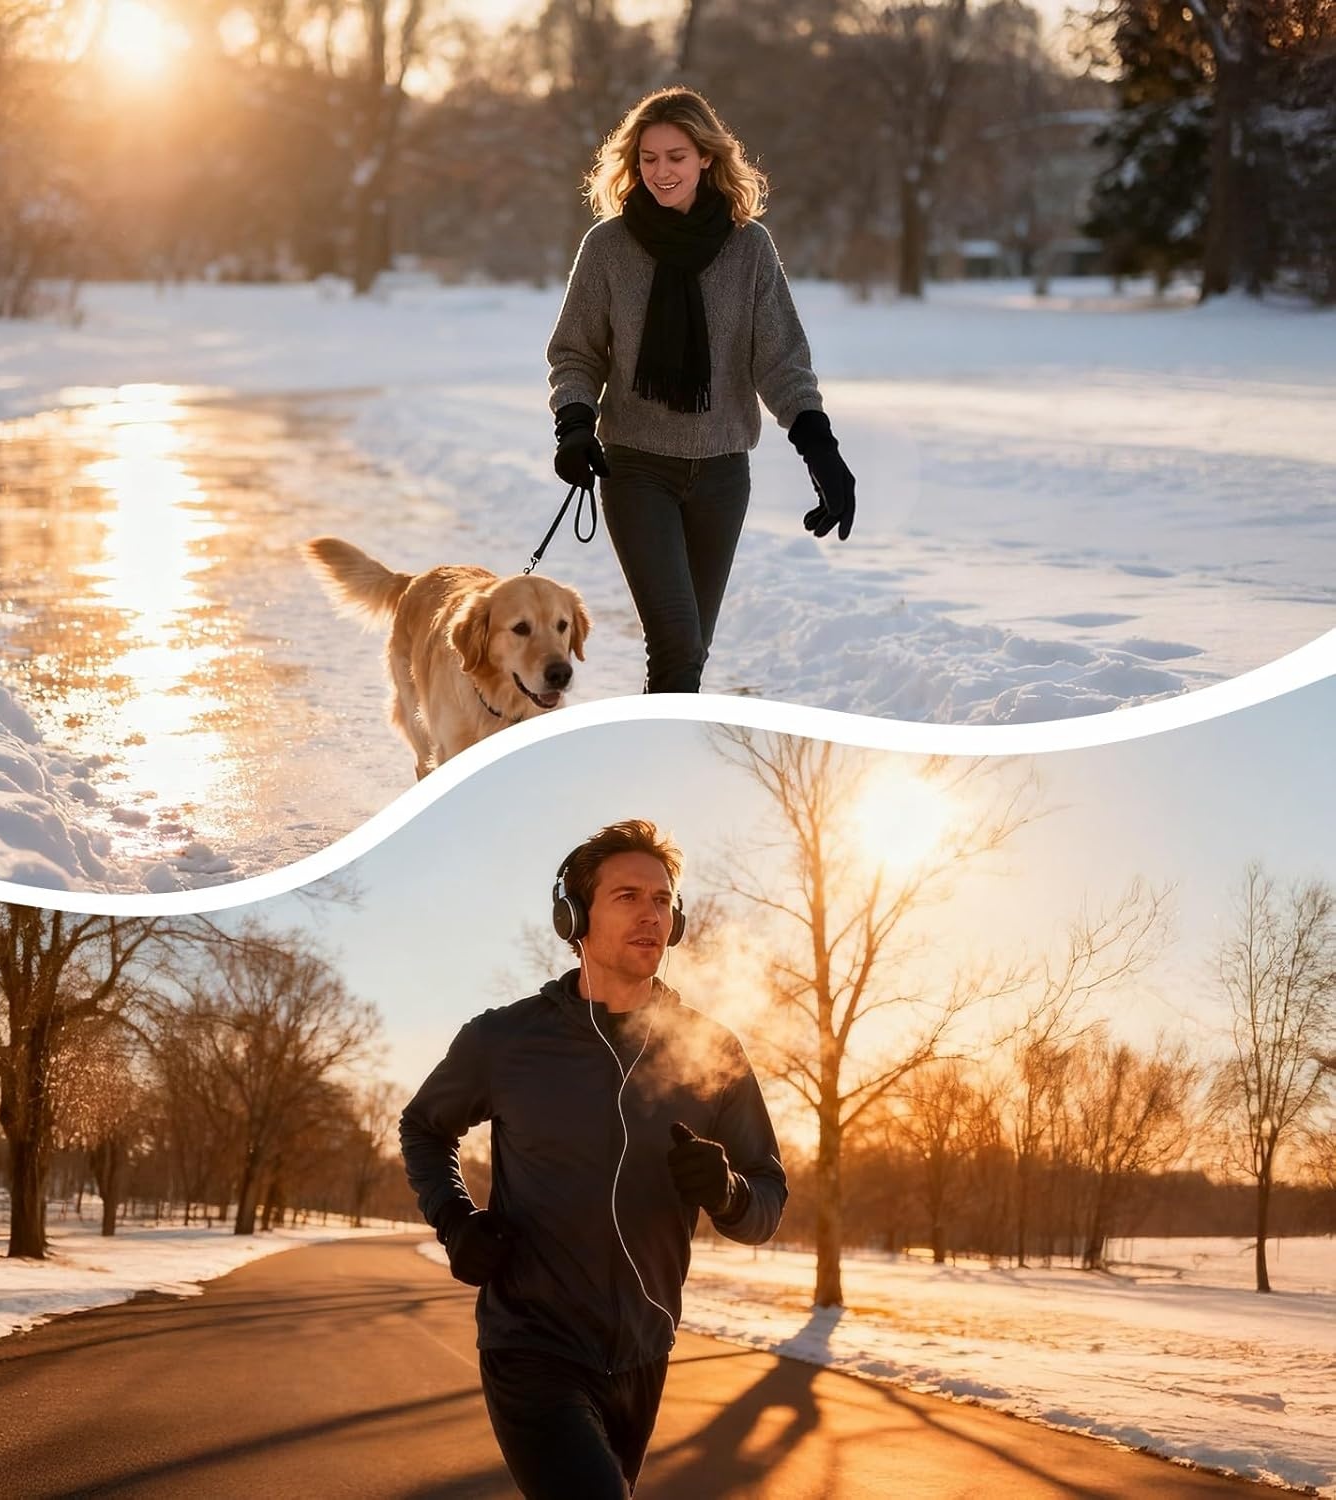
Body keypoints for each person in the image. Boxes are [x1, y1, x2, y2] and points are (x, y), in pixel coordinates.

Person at [399, 819, 787, 1499]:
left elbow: (766, 1202)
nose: (651, 915)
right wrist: (456, 1219)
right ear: (573, 918)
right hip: (532, 1344)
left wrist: (726, 1191)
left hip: (643, 1354)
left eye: (663, 900)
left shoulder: (711, 1050)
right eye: (628, 896)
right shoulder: (507, 1040)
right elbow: (423, 1128)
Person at [546, 87, 856, 695]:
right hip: (636, 468)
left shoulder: (749, 249)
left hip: (721, 475)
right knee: (677, 643)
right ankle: (664, 778)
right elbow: (576, 352)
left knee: (690, 652)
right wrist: (575, 425)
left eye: (677, 157)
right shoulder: (608, 247)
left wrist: (821, 449)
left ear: (707, 159)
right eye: (649, 158)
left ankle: (661, 767)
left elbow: (781, 360)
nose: (661, 172)